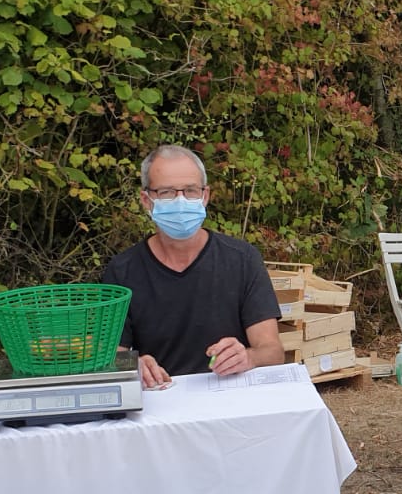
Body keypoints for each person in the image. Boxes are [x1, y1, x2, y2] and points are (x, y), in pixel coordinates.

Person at [103, 144, 285, 389]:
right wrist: (133, 365)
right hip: (161, 402)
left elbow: (273, 351)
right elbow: (110, 357)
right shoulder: (122, 271)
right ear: (147, 200)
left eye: (190, 190)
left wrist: (248, 357)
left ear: (205, 196)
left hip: (231, 397)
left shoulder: (242, 260)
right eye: (167, 192)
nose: (181, 200)